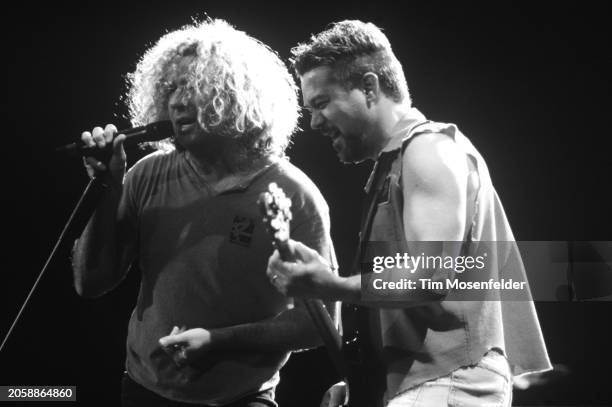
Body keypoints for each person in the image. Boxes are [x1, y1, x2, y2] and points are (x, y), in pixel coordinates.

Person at [267, 20, 552, 406]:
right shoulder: (397, 164)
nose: (315, 122)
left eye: (321, 103)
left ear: (370, 87)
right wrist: (365, 382)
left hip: (452, 381)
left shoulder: (428, 150)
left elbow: (429, 276)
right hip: (424, 384)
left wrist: (329, 285)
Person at [72, 19, 337, 407]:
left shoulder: (293, 195)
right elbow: (89, 282)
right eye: (171, 88)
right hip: (144, 391)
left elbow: (320, 324)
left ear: (233, 96)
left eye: (194, 87)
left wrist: (220, 341)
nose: (177, 101)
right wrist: (107, 188)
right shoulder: (148, 173)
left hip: (242, 398)